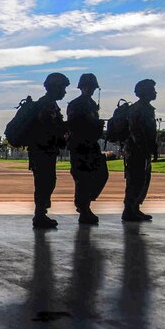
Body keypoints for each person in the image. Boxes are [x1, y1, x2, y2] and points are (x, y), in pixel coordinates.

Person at [27, 73, 69, 229]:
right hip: (43, 151)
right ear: (55, 88)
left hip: (42, 151)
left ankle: (41, 213)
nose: (64, 92)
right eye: (63, 88)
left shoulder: (47, 104)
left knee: (45, 182)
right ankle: (40, 215)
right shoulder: (48, 106)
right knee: (45, 182)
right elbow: (49, 130)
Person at [67, 73, 108, 225]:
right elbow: (74, 126)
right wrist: (92, 124)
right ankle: (84, 209)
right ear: (81, 87)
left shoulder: (91, 104)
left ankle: (85, 204)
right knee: (82, 179)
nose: (89, 89)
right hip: (80, 145)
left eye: (92, 87)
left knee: (101, 174)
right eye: (87, 87)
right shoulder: (75, 104)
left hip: (91, 144)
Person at [123, 79, 158, 222]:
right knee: (135, 180)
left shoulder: (146, 108)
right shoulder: (138, 109)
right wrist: (143, 148)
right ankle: (129, 210)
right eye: (152, 89)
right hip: (136, 151)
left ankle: (135, 208)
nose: (155, 92)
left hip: (143, 150)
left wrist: (152, 148)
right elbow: (136, 132)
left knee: (142, 180)